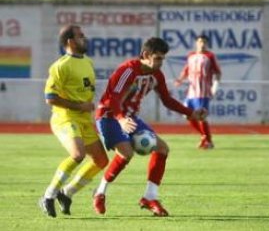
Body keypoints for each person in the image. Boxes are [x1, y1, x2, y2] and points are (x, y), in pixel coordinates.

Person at [92, 37, 207, 216]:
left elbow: (167, 100)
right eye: (158, 58)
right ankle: (99, 192)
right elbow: (113, 98)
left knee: (162, 149)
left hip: (130, 117)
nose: (161, 62)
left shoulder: (156, 74)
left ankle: (150, 197)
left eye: (163, 58)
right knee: (126, 153)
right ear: (146, 55)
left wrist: (190, 112)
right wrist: (121, 118)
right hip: (109, 116)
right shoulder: (127, 70)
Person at [39, 25, 109, 218]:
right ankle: (48, 195)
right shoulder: (60, 66)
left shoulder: (87, 62)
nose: (84, 39)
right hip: (65, 117)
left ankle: (67, 193)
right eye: (80, 36)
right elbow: (50, 97)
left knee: (101, 160)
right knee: (77, 154)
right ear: (70, 42)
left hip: (84, 119)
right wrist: (79, 107)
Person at [174, 35, 221, 149]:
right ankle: (205, 137)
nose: (202, 44)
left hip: (203, 92)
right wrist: (180, 79)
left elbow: (218, 72)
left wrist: (215, 86)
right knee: (187, 115)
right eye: (200, 41)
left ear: (207, 44)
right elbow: (186, 69)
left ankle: (208, 141)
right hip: (191, 92)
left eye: (204, 42)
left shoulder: (209, 56)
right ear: (196, 43)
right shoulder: (191, 55)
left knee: (201, 116)